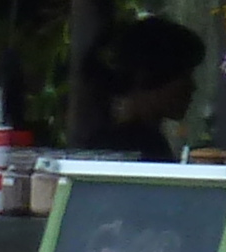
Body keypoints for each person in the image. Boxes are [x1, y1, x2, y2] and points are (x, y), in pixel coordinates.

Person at [75, 14, 206, 159]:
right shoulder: (134, 146)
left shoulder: (143, 140)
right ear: (151, 75)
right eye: (185, 76)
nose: (193, 87)